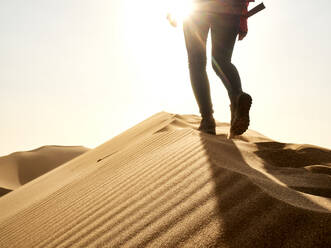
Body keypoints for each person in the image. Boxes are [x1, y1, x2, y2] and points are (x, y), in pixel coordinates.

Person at [182, 0, 254, 136]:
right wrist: (242, 16)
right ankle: (238, 98)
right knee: (222, 61)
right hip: (231, 8)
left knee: (196, 62)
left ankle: (207, 119)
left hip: (197, 9)